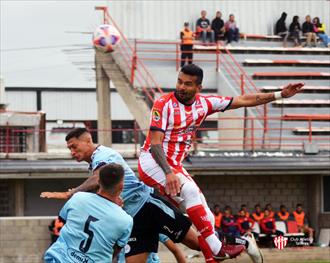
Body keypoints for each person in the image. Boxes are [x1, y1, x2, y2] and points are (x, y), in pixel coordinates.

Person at [138, 63, 302, 261]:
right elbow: (155, 145)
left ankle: (222, 252)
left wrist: (278, 95)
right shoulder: (163, 104)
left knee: (204, 214)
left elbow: (242, 99)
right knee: (189, 192)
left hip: (174, 167)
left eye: (187, 84)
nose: (181, 87)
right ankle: (217, 247)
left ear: (198, 88)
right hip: (152, 162)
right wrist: (168, 173)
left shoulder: (204, 104)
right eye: (179, 82)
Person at [40, 128, 198, 263]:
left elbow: (98, 178)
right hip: (132, 219)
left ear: (88, 140)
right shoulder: (94, 165)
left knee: (195, 243)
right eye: (69, 149)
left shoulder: (104, 154)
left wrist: (71, 193)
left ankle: (220, 247)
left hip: (147, 206)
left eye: (74, 147)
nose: (72, 152)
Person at [44, 163, 134, 262]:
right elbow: (115, 251)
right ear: (121, 186)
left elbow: (62, 220)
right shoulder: (126, 220)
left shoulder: (78, 198)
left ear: (99, 182)